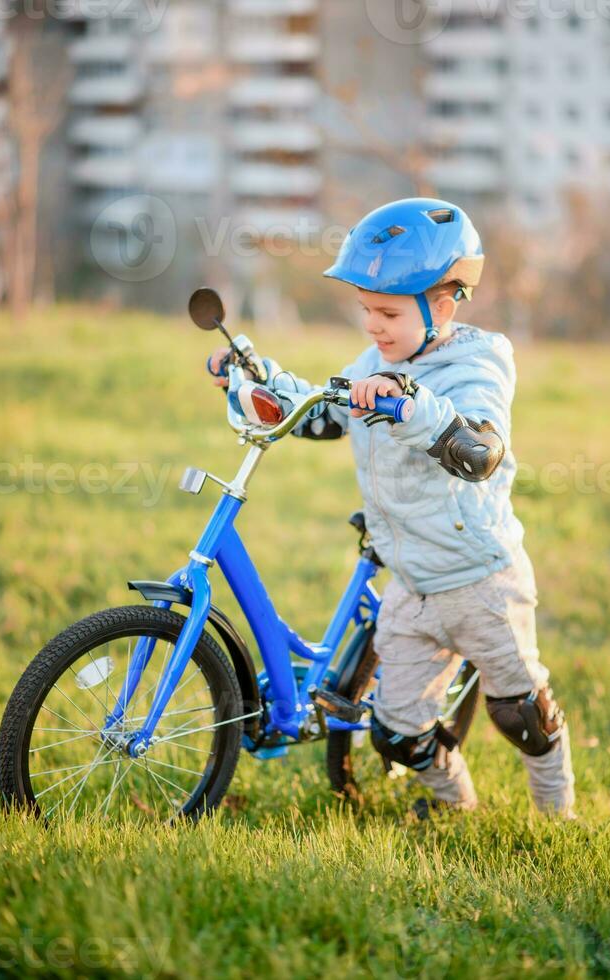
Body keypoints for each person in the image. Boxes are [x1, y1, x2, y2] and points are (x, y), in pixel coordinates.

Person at [209, 198, 576, 819]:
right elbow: (324, 411)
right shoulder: (376, 361)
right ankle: (458, 806)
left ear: (443, 303)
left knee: (522, 713)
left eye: (388, 312)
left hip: (481, 582)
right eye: (365, 311)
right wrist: (260, 380)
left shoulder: (477, 363)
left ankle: (558, 816)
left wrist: (409, 404)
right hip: (410, 587)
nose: (373, 326)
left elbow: (478, 448)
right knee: (397, 733)